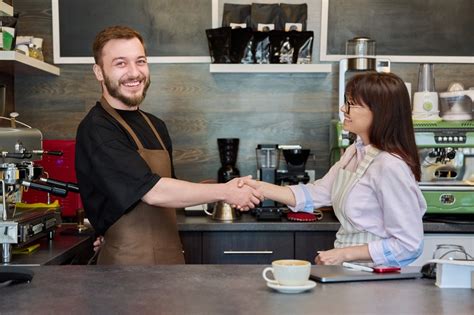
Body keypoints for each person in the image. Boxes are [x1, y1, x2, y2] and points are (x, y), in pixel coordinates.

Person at [75, 26, 262, 265]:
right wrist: (226, 191)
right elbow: (154, 192)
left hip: (169, 261)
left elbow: (170, 191)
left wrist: (221, 187)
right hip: (126, 271)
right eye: (120, 63)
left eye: (140, 61)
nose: (134, 73)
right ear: (99, 72)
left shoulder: (155, 125)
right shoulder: (98, 128)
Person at [240, 72, 426, 267]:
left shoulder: (390, 165)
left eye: (352, 104)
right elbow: (318, 193)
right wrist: (259, 187)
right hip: (351, 273)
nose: (343, 108)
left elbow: (409, 245)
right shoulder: (355, 152)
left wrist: (345, 254)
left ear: (380, 112)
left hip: (376, 280)